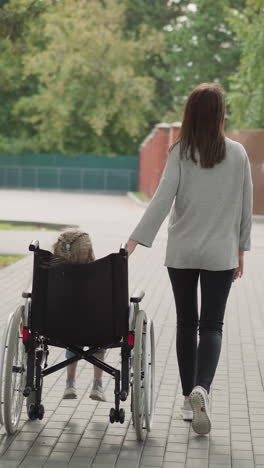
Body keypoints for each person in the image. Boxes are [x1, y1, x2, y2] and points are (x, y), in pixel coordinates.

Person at [127, 83, 253, 435]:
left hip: (182, 253)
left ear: (190, 114)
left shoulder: (179, 152)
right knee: (212, 325)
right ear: (220, 114)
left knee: (187, 323)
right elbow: (246, 209)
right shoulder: (239, 154)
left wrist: (135, 240)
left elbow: (162, 200)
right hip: (221, 253)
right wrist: (240, 250)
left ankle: (186, 399)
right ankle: (202, 389)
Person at [52, 230, 106, 402]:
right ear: (89, 251)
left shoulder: (50, 274)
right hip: (96, 330)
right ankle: (97, 384)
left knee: (71, 332)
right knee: (99, 336)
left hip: (61, 329)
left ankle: (70, 382)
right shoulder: (102, 274)